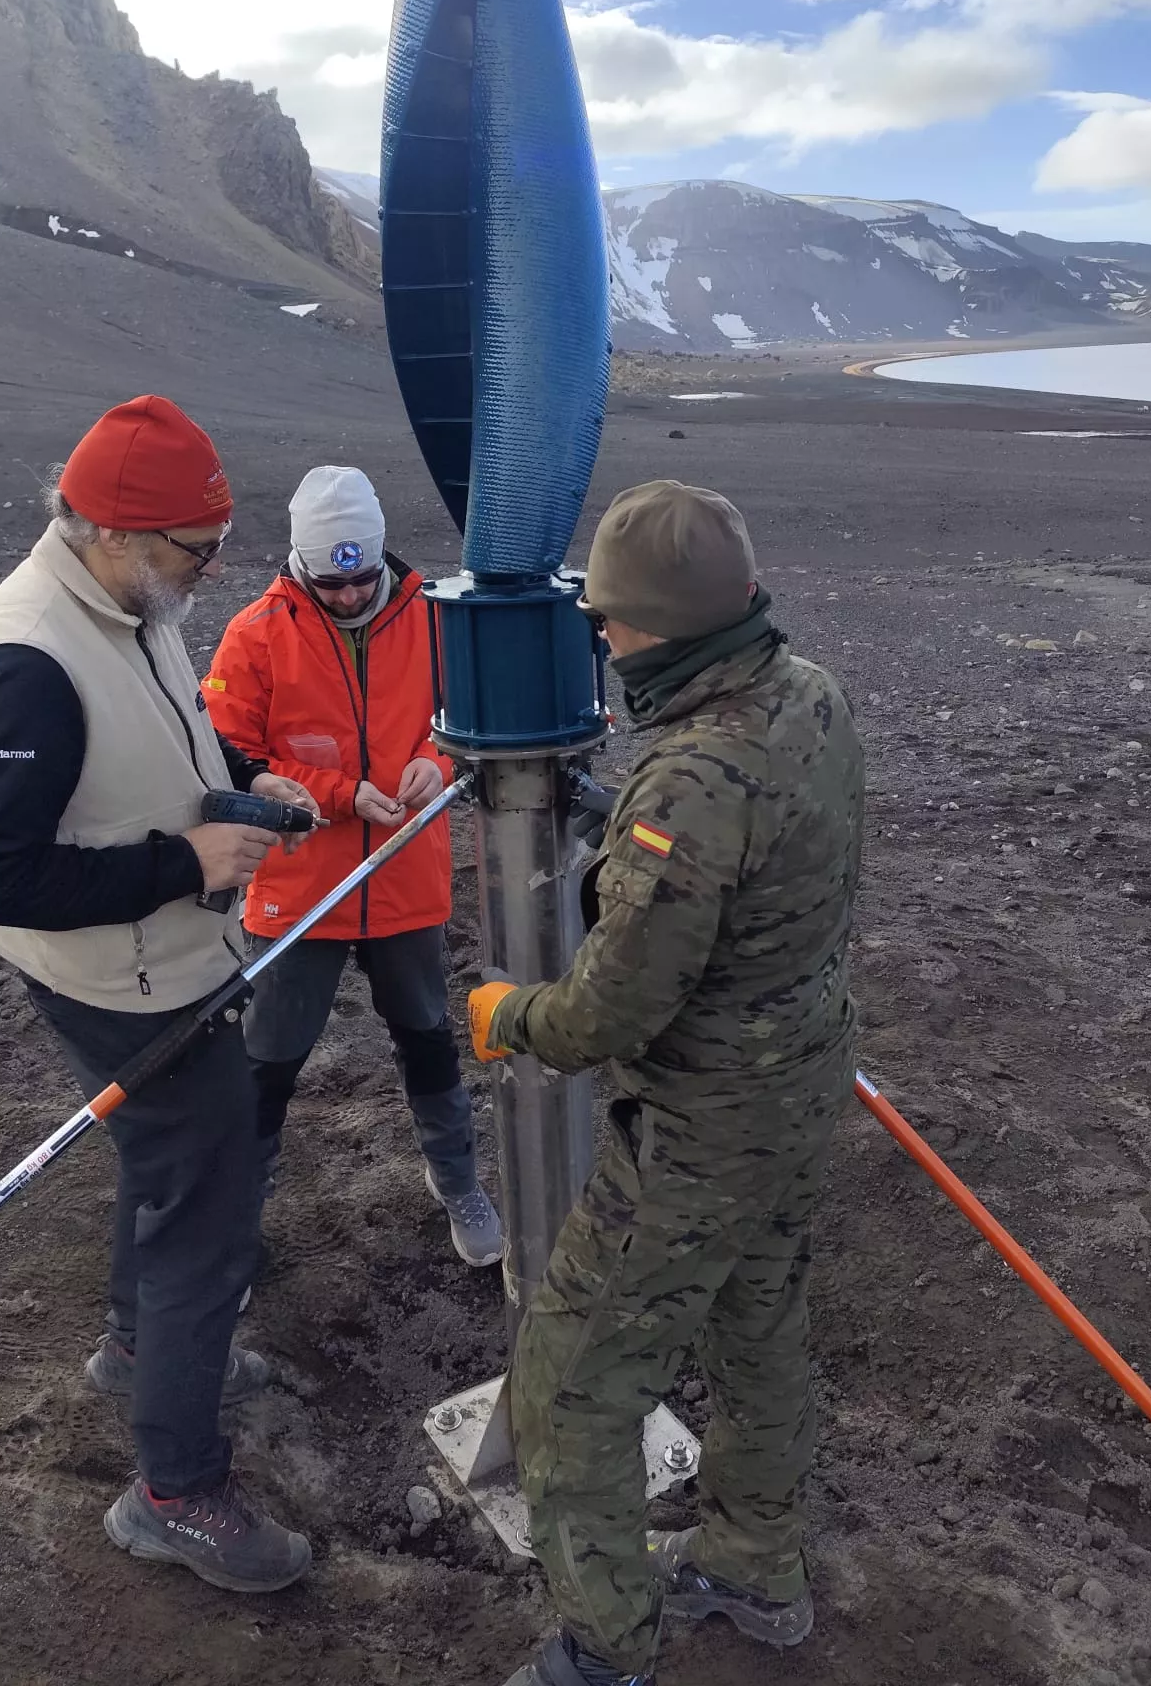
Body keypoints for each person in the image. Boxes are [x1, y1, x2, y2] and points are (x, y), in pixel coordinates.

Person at [467, 480, 865, 1686]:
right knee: (760, 1335)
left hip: (698, 1132)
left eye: (613, 625)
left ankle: (604, 1651)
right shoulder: (813, 696)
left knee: (570, 1390)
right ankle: (757, 1564)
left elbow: (610, 1013)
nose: (604, 642)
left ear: (663, 629)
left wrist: (508, 1016)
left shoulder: (688, 785)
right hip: (799, 1092)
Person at [0, 394, 318, 1594]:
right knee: (206, 1211)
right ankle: (174, 1492)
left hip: (165, 956)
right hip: (126, 979)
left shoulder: (128, 599)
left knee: (168, 1166)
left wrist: (243, 788)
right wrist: (185, 865)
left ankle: (133, 1347)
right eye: (194, 551)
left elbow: (168, 736)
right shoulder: (28, 663)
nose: (208, 575)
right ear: (113, 530)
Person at [203, 464, 504, 1267]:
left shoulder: (436, 619)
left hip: (407, 876)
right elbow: (228, 753)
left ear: (380, 558)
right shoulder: (255, 634)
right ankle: (234, 1224)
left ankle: (457, 1179)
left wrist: (438, 767)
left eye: (361, 580)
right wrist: (339, 794)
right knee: (269, 1061)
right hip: (301, 889)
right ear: (300, 564)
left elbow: (471, 721)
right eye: (328, 584)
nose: (346, 597)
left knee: (427, 1039)